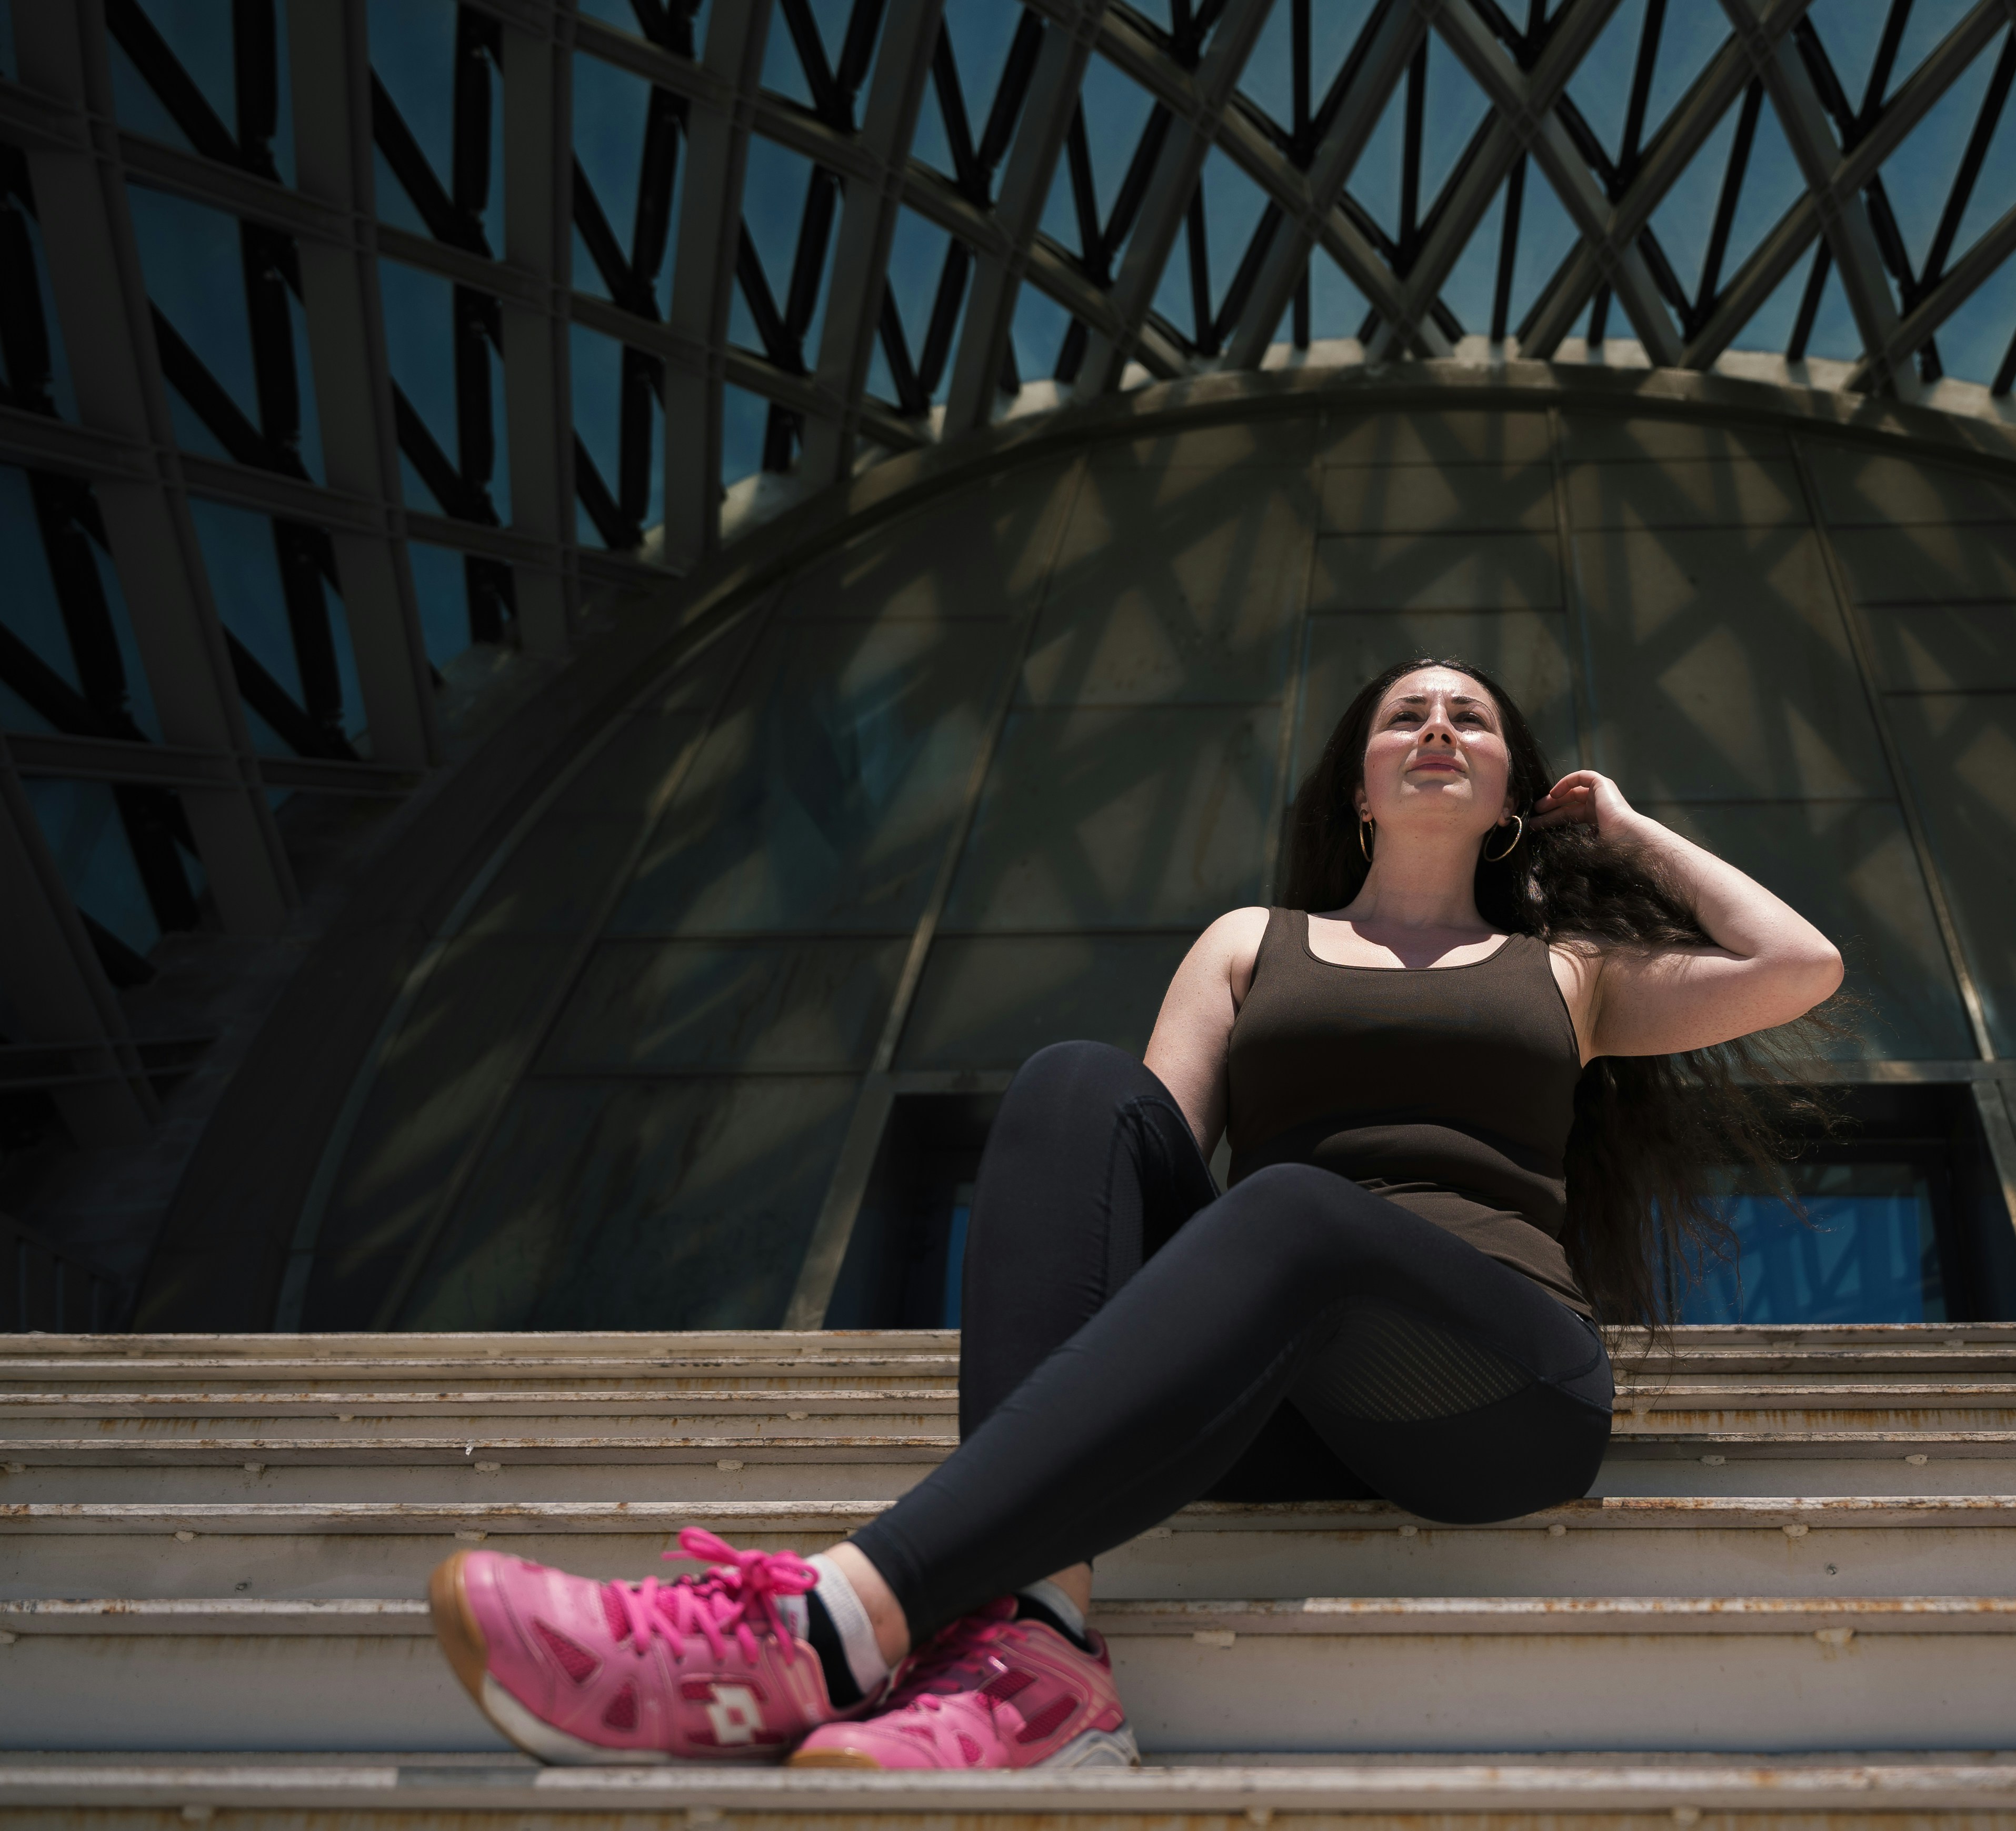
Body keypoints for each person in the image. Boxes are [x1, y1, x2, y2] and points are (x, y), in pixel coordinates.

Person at [425, 658, 1846, 1769]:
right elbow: (1131, 1158)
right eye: (1402, 715)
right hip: (1283, 1398)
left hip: (1493, 1391)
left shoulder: (1567, 972)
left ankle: (826, 1624)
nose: (1434, 731)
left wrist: (1625, 829)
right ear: (1357, 782)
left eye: (1469, 722)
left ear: (1508, 788)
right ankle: (1038, 1654)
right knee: (1072, 1086)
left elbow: (1799, 963)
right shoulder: (1251, 944)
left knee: (1292, 1208)